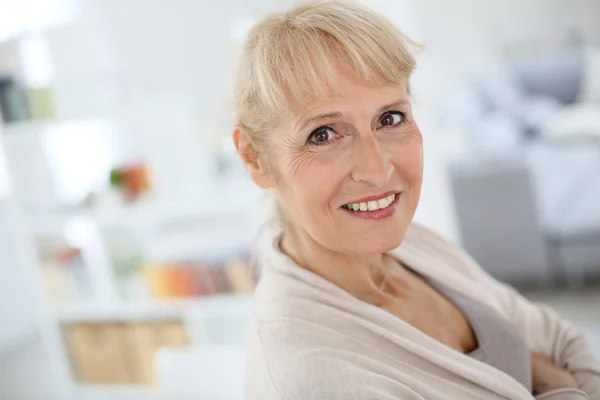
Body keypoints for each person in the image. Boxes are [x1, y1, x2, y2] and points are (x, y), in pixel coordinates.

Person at [231, 1, 600, 399]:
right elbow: (554, 359)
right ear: (255, 158)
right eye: (322, 134)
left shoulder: (413, 247)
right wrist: (550, 378)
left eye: (389, 118)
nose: (377, 169)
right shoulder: (310, 376)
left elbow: (564, 341)